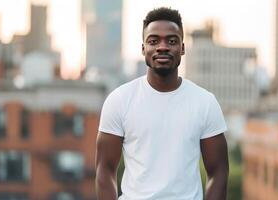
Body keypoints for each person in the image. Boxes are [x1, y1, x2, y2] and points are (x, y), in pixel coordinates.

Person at [95, 7, 229, 200]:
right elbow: (104, 170)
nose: (163, 46)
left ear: (182, 48)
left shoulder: (204, 102)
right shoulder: (119, 100)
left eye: (172, 41)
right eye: (153, 41)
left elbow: (219, 172)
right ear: (144, 48)